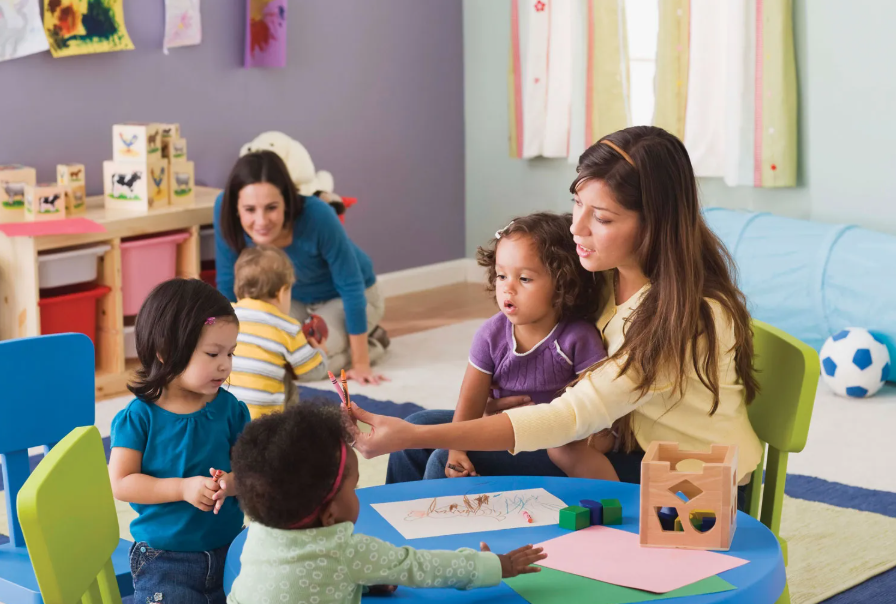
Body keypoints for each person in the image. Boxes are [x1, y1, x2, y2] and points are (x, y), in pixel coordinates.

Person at [353, 126, 764, 493]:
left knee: (441, 455)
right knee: (424, 431)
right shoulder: (602, 277)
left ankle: (446, 570)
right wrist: (468, 420)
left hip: (688, 482)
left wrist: (413, 434)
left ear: (653, 225)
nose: (577, 227)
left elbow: (570, 417)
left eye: (600, 217)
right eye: (577, 204)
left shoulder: (687, 318)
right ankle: (391, 565)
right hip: (618, 441)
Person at [227, 402, 547, 603]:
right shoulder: (348, 552)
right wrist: (496, 565)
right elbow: (422, 567)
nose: (357, 495)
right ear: (330, 515)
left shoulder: (259, 531)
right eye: (353, 488)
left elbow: (304, 580)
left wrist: (365, 583)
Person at [391, 211, 616, 484]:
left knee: (441, 460)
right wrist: (457, 447)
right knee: (415, 427)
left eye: (524, 279)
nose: (507, 288)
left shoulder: (577, 338)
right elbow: (471, 401)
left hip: (553, 441)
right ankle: (393, 520)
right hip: (503, 426)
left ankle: (433, 524)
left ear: (562, 283)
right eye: (501, 276)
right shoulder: (491, 335)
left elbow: (601, 406)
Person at [109, 279, 250, 604]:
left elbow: (256, 470)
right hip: (165, 559)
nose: (225, 364)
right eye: (213, 353)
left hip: (232, 548)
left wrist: (232, 483)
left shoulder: (229, 409)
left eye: (230, 352)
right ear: (167, 351)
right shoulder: (140, 417)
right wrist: (182, 488)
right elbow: (121, 482)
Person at [214, 150, 389, 384]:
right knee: (269, 354)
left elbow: (351, 286)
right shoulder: (223, 210)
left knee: (304, 364)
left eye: (271, 207)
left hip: (351, 297)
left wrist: (361, 364)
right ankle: (356, 338)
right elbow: (227, 283)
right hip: (290, 299)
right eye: (250, 210)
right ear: (236, 207)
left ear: (287, 201)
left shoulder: (318, 214)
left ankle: (372, 344)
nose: (261, 221)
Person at [229, 245, 329, 419]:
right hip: (264, 426)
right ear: (282, 292)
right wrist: (321, 352)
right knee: (287, 382)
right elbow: (313, 372)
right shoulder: (287, 327)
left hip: (224, 422)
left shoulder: (225, 317)